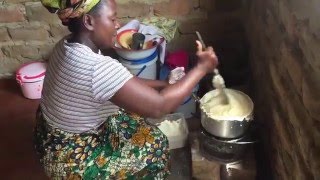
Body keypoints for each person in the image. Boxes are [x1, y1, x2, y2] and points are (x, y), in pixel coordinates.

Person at [34, 0, 218, 179]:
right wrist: (201, 68)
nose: (117, 25)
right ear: (89, 21)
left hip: (50, 135)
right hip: (70, 158)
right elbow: (160, 107)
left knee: (135, 116)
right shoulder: (96, 68)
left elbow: (123, 82)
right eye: (112, 19)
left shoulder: (68, 46)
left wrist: (164, 84)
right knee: (155, 147)